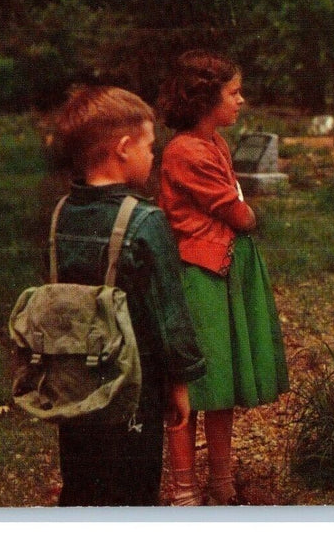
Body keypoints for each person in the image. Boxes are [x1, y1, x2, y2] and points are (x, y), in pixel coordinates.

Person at [50, 85, 206, 506]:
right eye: (149, 146)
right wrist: (180, 381)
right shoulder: (146, 220)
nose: (153, 156)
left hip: (75, 376)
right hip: (133, 382)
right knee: (133, 484)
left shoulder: (61, 213)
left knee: (81, 479)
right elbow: (169, 312)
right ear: (123, 148)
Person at [157, 49, 290, 506]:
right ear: (204, 98)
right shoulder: (185, 151)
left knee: (222, 383)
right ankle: (184, 490)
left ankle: (221, 483)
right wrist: (250, 216)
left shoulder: (214, 143)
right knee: (193, 383)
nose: (241, 100)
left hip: (222, 271)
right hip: (198, 275)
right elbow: (236, 212)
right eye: (233, 93)